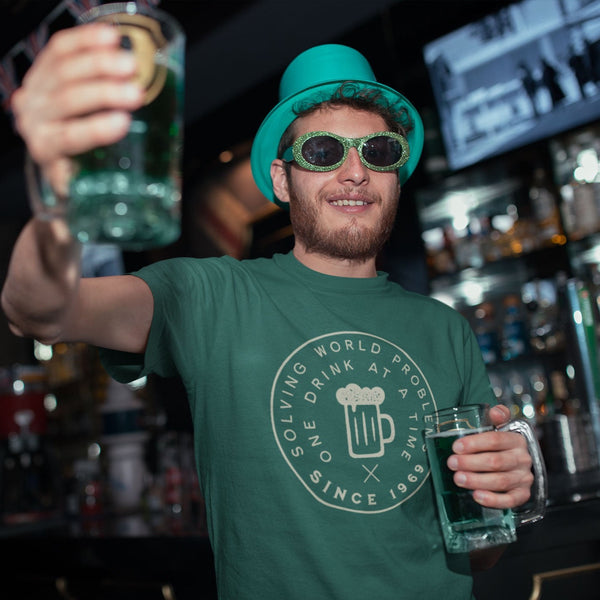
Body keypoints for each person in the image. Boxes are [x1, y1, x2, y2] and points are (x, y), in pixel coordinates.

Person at [2, 24, 535, 600]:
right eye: (323, 151)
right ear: (283, 180)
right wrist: (59, 198)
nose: (355, 172)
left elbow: (482, 552)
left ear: (396, 176)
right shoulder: (210, 296)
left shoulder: (446, 330)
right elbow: (41, 311)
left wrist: (501, 495)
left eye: (378, 152)